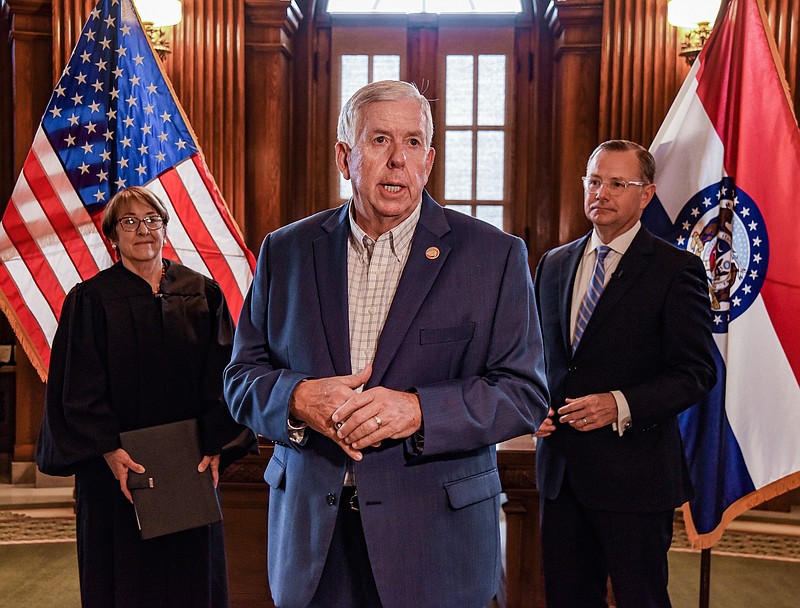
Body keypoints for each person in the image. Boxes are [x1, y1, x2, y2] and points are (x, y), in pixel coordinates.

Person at [224, 80, 549, 608]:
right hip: (314, 541)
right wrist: (299, 400)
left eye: (414, 143)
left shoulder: (493, 256)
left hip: (435, 545)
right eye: (379, 141)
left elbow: (523, 393)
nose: (398, 160)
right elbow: (241, 379)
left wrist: (420, 410)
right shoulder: (286, 252)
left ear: (429, 159)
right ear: (344, 157)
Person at [36, 186, 253, 608]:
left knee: (191, 579)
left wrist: (216, 446)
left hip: (187, 468)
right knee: (123, 580)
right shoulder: (91, 301)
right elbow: (77, 389)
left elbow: (225, 376)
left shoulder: (202, 294)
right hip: (115, 475)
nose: (143, 230)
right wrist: (109, 451)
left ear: (165, 228)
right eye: (130, 222)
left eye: (152, 220)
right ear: (112, 236)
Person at [533, 140, 717, 607]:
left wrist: (619, 404)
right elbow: (539, 359)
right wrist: (532, 405)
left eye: (618, 183)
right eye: (595, 181)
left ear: (646, 194)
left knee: (642, 599)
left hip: (635, 477)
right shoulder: (553, 265)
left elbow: (696, 372)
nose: (602, 193)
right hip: (561, 474)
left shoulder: (676, 270)